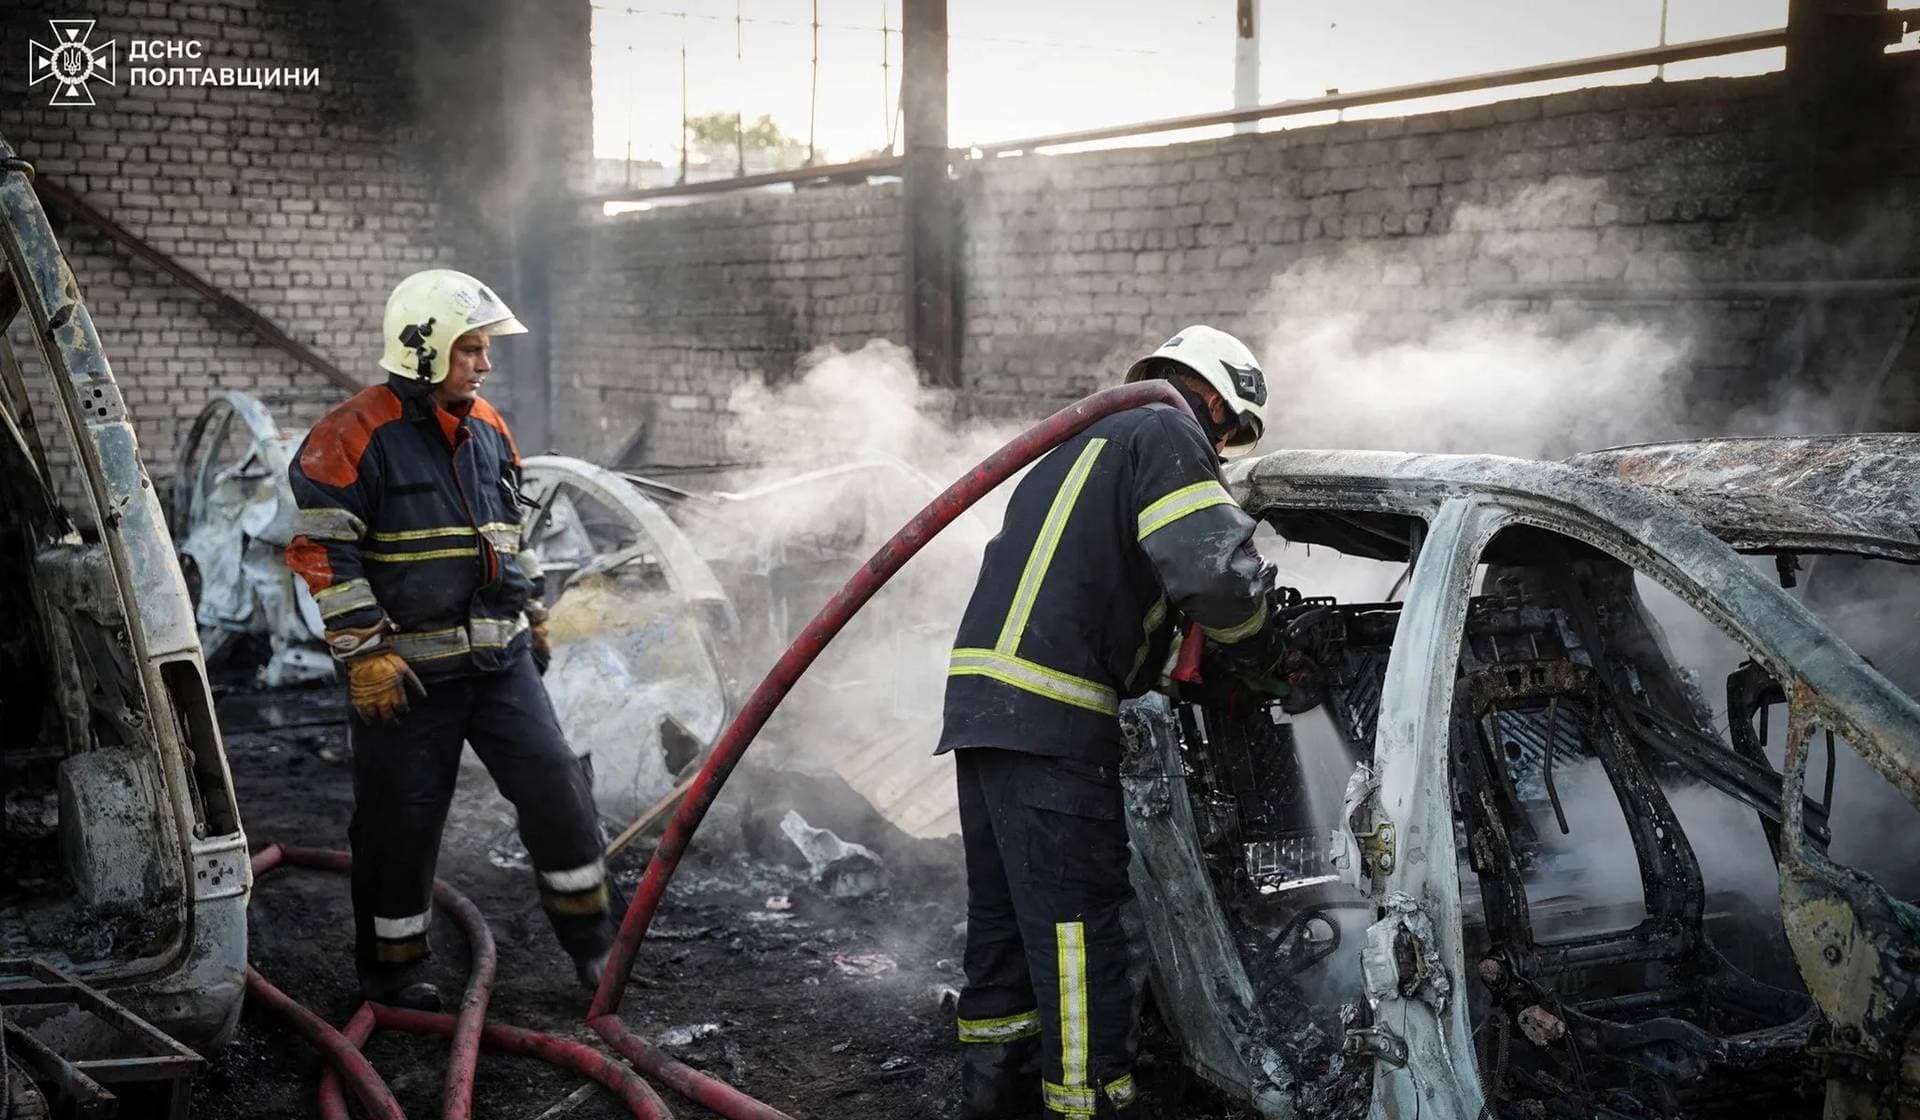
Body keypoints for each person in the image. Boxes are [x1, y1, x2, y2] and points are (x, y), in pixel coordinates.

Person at [938, 325, 1292, 1119]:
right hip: (1054, 714)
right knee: (1083, 936)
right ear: (1210, 398)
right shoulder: (1168, 429)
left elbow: (1109, 586)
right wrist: (1261, 651)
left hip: (987, 707)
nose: (1224, 449)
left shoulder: (1081, 443)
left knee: (1004, 928)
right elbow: (1211, 570)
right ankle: (1091, 1101)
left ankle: (992, 1097)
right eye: (1230, 432)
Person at [286, 268, 614, 1011]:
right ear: (422, 348)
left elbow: (510, 531)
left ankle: (596, 949)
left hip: (499, 662)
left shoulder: (489, 428)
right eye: (470, 349)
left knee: (559, 789)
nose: (485, 363)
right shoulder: (350, 434)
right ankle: (395, 973)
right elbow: (322, 554)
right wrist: (366, 653)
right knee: (400, 822)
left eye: (482, 349)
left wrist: (529, 610)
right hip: (407, 674)